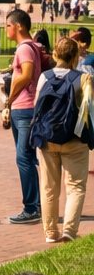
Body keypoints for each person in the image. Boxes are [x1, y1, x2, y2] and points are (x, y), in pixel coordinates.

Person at [32, 36, 92, 243]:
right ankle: (69, 231)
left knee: (49, 187)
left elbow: (37, 106)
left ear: (55, 54)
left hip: (47, 138)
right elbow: (89, 110)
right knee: (76, 186)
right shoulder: (84, 78)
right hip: (75, 140)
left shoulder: (45, 77)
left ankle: (50, 232)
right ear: (76, 56)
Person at [3, 8, 44, 224]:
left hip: (25, 108)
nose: (6, 30)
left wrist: (9, 99)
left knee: (24, 158)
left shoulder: (25, 49)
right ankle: (37, 204)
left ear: (19, 26)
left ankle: (31, 207)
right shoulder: (31, 47)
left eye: (8, 25)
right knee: (27, 158)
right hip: (23, 108)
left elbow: (26, 75)